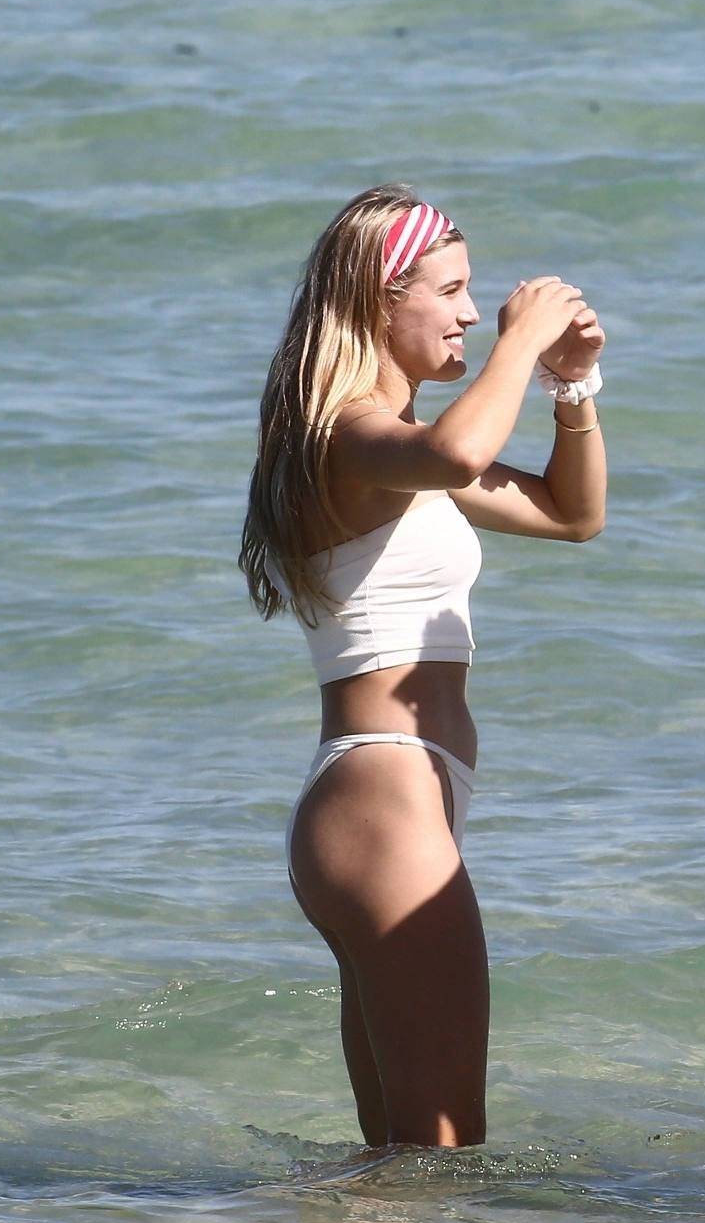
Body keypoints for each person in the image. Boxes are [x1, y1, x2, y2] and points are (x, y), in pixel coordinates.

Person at [238, 185, 606, 1147]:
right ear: (377, 301)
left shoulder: (397, 453)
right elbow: (457, 450)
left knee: (404, 1167)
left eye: (478, 295)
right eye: (450, 292)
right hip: (380, 798)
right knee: (444, 1155)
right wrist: (520, 345)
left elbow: (573, 516)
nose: (474, 314)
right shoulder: (345, 436)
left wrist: (570, 388)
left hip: (397, 800)